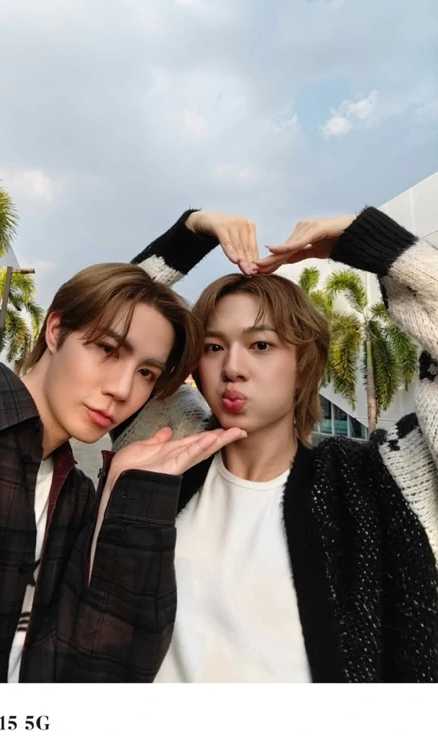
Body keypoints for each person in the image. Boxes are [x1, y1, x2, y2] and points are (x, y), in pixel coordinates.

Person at [0, 208, 245, 683]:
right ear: (55, 331)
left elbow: (115, 663)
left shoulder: (77, 497)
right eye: (107, 349)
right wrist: (191, 229)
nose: (122, 389)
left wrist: (127, 496)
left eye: (146, 372)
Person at [107, 206, 438, 682]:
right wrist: (191, 232)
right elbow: (107, 329)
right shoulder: (169, 444)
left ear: (303, 364)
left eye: (261, 345)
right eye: (213, 347)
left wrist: (369, 241)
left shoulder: (381, 477)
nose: (232, 367)